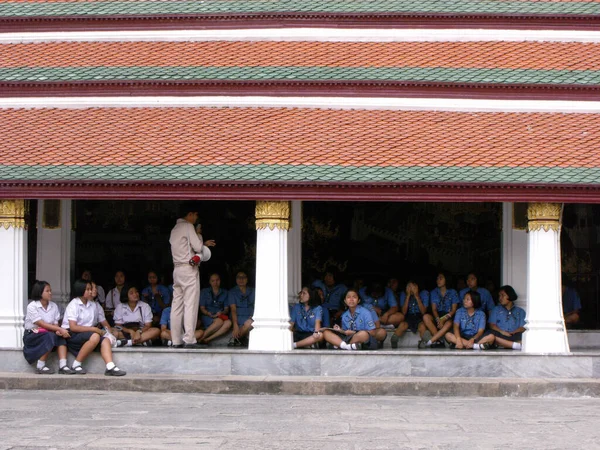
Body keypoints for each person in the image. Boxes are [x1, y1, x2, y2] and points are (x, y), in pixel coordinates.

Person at [169, 202, 215, 349]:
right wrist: (199, 235)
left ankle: (176, 339)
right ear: (189, 214)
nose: (196, 218)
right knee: (190, 304)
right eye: (195, 215)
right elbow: (197, 247)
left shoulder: (174, 229)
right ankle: (189, 339)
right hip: (189, 269)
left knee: (176, 305)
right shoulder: (188, 226)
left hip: (177, 269)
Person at [61, 279, 126, 376]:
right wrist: (94, 329)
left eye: (91, 289)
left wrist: (101, 331)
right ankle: (76, 364)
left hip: (87, 334)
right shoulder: (73, 304)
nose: (91, 291)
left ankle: (110, 366)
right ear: (80, 290)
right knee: (95, 336)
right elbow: (73, 327)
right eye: (88, 289)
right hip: (71, 335)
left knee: (105, 340)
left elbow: (99, 323)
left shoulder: (93, 305)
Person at [23, 281, 73, 374]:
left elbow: (55, 324)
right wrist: (59, 329)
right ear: (39, 292)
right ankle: (40, 365)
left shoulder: (53, 306)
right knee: (51, 336)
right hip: (32, 334)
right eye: (47, 291)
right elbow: (41, 323)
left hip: (48, 332)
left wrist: (58, 330)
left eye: (50, 290)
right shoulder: (32, 306)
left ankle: (63, 365)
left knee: (59, 336)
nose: (50, 293)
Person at [419, 272, 460, 349]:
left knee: (449, 323)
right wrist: (438, 320)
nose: (438, 280)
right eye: (437, 278)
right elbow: (434, 309)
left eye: (441, 278)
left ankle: (433, 340)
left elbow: (454, 310)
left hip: (448, 316)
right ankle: (439, 340)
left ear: (446, 280)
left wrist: (444, 319)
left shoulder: (453, 292)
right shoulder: (434, 292)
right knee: (425, 317)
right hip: (437, 315)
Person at [485, 285, 526, 350]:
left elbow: (522, 327)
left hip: (514, 335)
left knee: (524, 335)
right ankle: (514, 345)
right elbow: (492, 325)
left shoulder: (520, 311)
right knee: (490, 334)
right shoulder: (496, 309)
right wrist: (502, 332)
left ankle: (505, 344)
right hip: (500, 335)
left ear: (510, 295)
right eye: (499, 296)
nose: (500, 298)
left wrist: (514, 332)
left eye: (503, 295)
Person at [391, 281, 430, 348]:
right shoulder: (403, 294)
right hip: (408, 316)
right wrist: (408, 295)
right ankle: (394, 339)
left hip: (419, 316)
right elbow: (403, 312)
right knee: (403, 325)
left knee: (422, 326)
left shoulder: (424, 293)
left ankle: (423, 342)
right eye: (409, 286)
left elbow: (423, 311)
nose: (411, 288)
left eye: (413, 286)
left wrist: (417, 296)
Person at [199, 273, 232, 345]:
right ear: (209, 282)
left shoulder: (225, 292)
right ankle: (201, 338)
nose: (215, 282)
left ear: (220, 281)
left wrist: (222, 312)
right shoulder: (204, 292)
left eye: (217, 280)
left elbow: (226, 309)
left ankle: (207, 339)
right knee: (219, 322)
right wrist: (208, 313)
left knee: (228, 323)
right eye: (213, 281)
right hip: (207, 316)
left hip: (220, 315)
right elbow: (202, 308)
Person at [227, 271, 255, 347]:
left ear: (247, 279)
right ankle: (240, 338)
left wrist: (253, 315)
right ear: (236, 279)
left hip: (250, 316)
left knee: (250, 322)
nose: (241, 279)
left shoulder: (253, 291)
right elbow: (233, 309)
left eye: (243, 277)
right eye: (239, 277)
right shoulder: (232, 292)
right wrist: (235, 325)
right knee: (248, 323)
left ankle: (236, 339)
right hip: (237, 317)